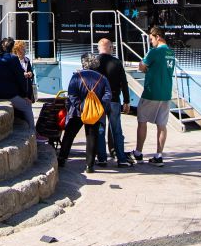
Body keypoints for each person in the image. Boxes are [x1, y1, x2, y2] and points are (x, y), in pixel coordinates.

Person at [57, 53, 112, 174]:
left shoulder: (76, 77)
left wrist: (81, 106)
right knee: (92, 137)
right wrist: (99, 106)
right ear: (95, 64)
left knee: (69, 135)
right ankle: (89, 166)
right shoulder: (102, 78)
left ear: (83, 63)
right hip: (94, 113)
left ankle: (62, 159)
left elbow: (71, 94)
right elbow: (108, 95)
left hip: (77, 112)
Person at [133, 25, 175, 165]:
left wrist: (144, 67)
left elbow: (142, 66)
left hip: (151, 92)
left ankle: (138, 153)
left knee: (142, 120)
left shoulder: (154, 52)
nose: (151, 42)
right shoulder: (171, 52)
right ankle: (158, 156)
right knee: (162, 125)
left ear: (158, 37)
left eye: (151, 39)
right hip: (166, 93)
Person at [0, 37, 36, 131]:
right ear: (12, 48)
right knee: (27, 106)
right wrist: (24, 95)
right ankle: (32, 132)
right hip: (4, 93)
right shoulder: (13, 59)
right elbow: (20, 78)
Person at [95, 37, 131, 167]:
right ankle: (121, 159)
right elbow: (124, 82)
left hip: (99, 102)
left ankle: (102, 158)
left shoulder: (95, 62)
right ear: (110, 48)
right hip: (114, 101)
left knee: (100, 130)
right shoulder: (117, 62)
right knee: (116, 130)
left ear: (99, 48)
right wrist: (127, 101)